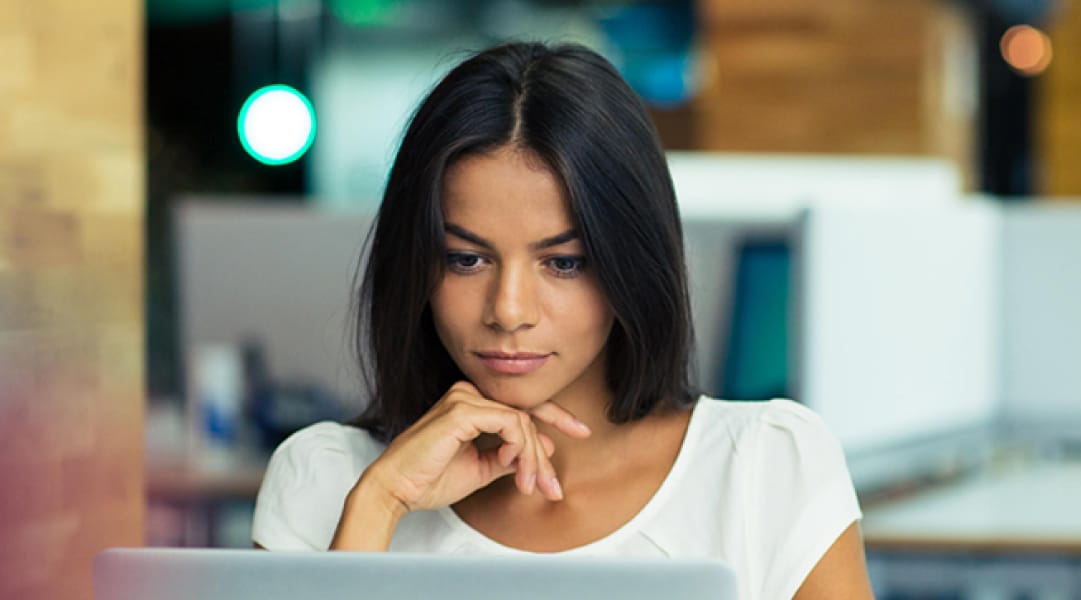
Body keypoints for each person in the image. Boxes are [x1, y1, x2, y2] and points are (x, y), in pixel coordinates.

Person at [252, 41, 874, 599]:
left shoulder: (766, 467)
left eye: (564, 263)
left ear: (630, 263)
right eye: (466, 259)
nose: (509, 311)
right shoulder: (326, 479)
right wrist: (379, 506)